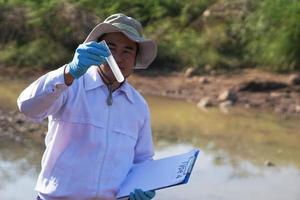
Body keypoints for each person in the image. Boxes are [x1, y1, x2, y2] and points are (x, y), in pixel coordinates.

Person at [17, 13, 157, 200]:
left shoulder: (138, 105)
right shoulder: (70, 84)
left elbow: (143, 160)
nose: (117, 57)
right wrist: (69, 72)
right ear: (98, 49)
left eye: (127, 51)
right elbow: (27, 107)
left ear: (135, 59)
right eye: (111, 48)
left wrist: (144, 185)